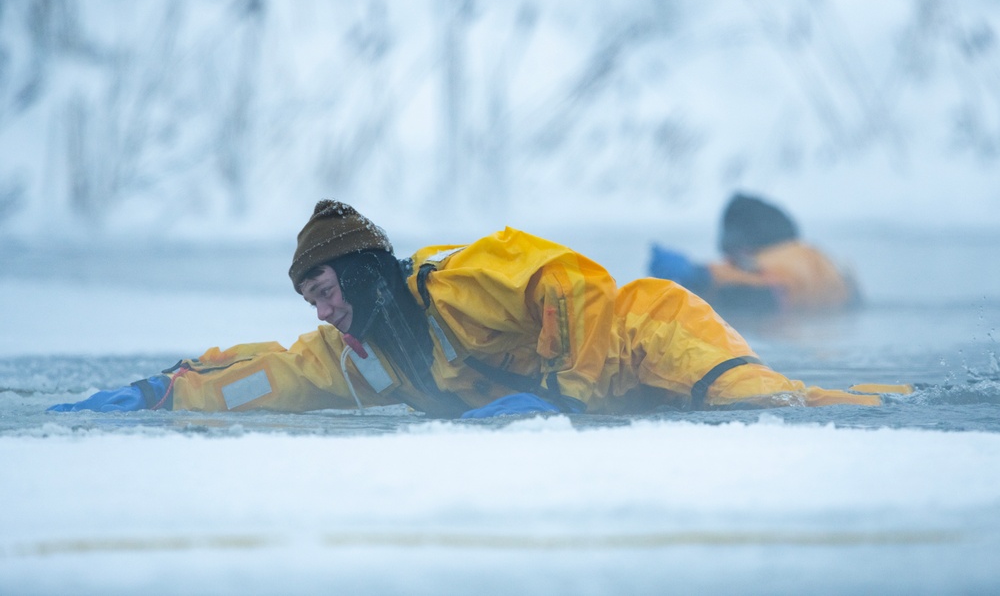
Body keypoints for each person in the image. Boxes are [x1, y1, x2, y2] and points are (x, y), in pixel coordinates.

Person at [50, 200, 906, 418]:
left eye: (327, 290)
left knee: (774, 409)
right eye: (310, 301)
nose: (323, 314)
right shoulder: (355, 354)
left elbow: (569, 283)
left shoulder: (456, 277)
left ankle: (892, 407)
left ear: (364, 270)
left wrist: (561, 392)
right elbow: (268, 379)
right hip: (607, 398)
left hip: (655, 339)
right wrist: (167, 392)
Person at [649, 193, 860, 315]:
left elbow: (770, 290)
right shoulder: (813, 258)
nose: (729, 262)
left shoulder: (782, 260)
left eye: (733, 256)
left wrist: (703, 276)